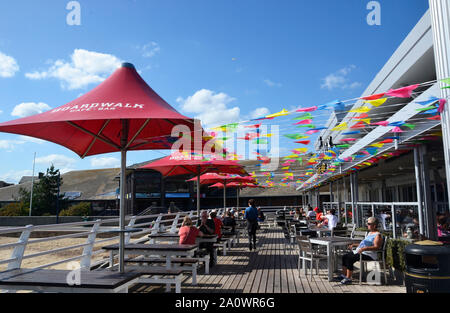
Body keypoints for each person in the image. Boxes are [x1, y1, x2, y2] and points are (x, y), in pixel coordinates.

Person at [337, 217, 383, 285]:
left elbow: (376, 247)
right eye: (367, 223)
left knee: (350, 258)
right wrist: (354, 245)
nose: (367, 225)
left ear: (374, 225)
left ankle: (348, 278)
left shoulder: (377, 235)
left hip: (369, 254)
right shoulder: (370, 233)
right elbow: (364, 244)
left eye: (369, 224)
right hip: (361, 251)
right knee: (345, 256)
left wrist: (364, 248)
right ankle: (344, 275)